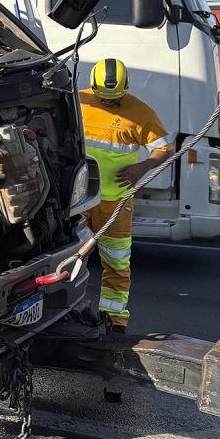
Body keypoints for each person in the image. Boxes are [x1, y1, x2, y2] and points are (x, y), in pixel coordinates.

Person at [80, 58, 172, 332]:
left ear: (126, 88)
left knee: (117, 264)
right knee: (68, 259)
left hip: (114, 203)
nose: (108, 103)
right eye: (103, 98)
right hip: (79, 199)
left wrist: (142, 167)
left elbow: (164, 149)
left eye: (115, 99)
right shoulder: (79, 101)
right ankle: (64, 312)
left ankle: (114, 320)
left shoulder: (140, 113)